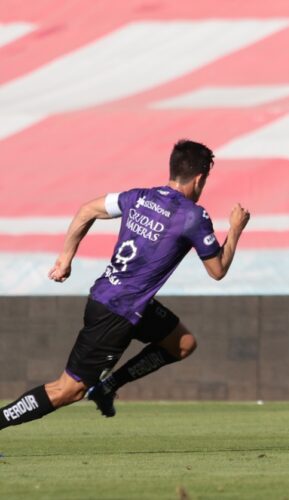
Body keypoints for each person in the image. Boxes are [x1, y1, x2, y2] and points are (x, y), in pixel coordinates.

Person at [0, 139, 250, 430]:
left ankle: (108, 387)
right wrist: (235, 230)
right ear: (200, 178)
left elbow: (86, 210)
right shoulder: (193, 216)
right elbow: (217, 270)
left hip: (128, 302)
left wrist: (65, 259)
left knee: (182, 344)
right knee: (68, 390)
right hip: (116, 311)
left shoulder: (137, 197)